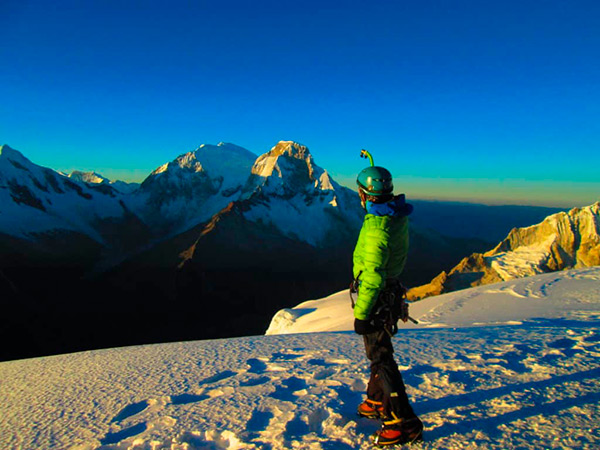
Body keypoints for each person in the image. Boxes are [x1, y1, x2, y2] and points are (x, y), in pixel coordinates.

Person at [351, 150, 423, 446]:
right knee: (377, 352)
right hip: (390, 294)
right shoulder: (394, 216)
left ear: (364, 193)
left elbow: (373, 275)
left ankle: (402, 421)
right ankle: (377, 399)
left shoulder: (377, 229)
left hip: (377, 299)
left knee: (381, 357)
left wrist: (362, 314)